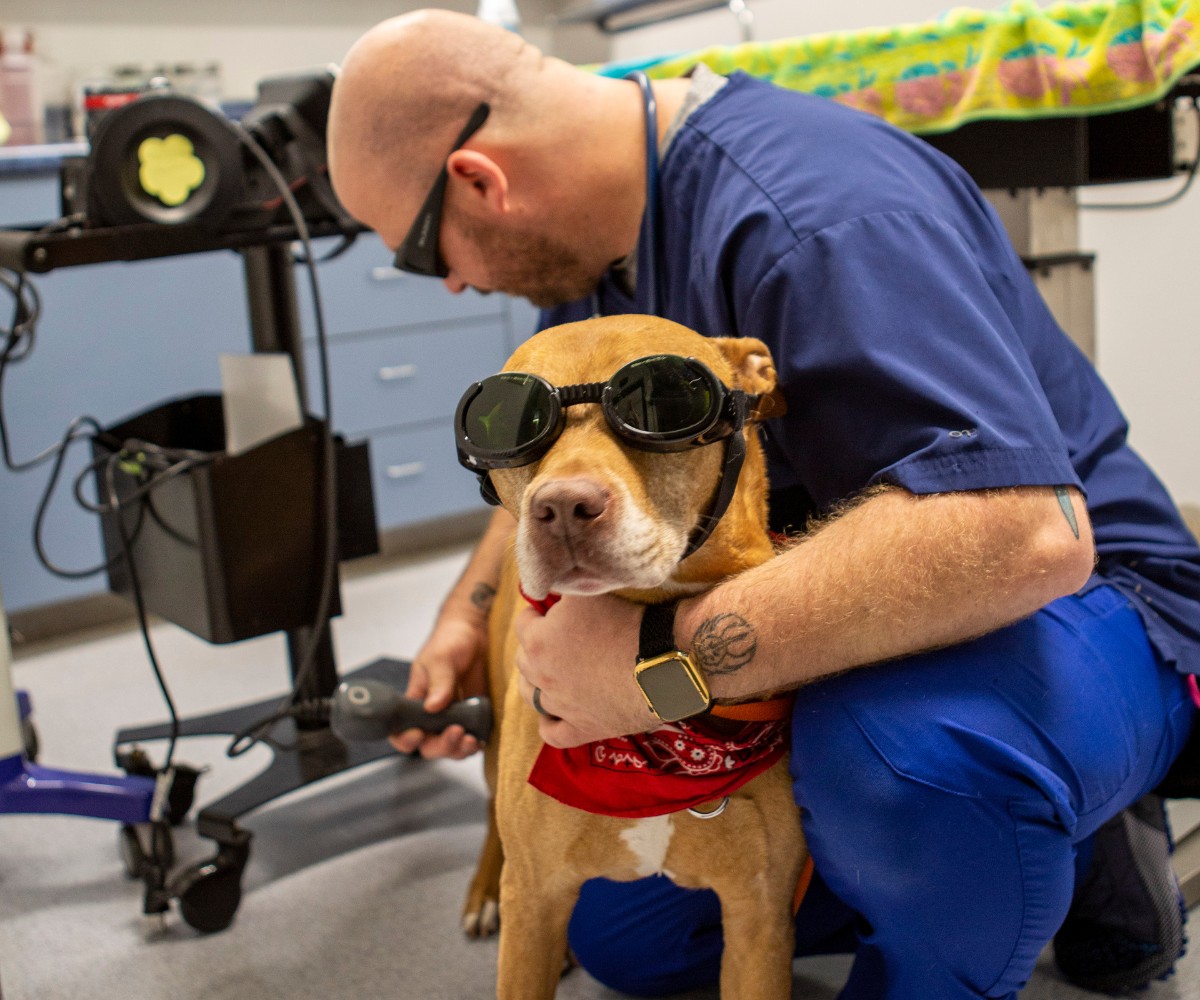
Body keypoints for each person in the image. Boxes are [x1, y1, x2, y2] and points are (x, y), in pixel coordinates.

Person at [327, 10, 1200, 999]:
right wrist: (466, 617)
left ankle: (1059, 819)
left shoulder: (819, 215)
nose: (447, 282)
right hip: (825, 615)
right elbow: (559, 464)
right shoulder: (590, 262)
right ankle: (975, 843)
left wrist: (661, 663)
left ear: (479, 180)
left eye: (415, 251)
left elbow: (1028, 537)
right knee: (633, 930)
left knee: (896, 764)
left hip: (1078, 604)